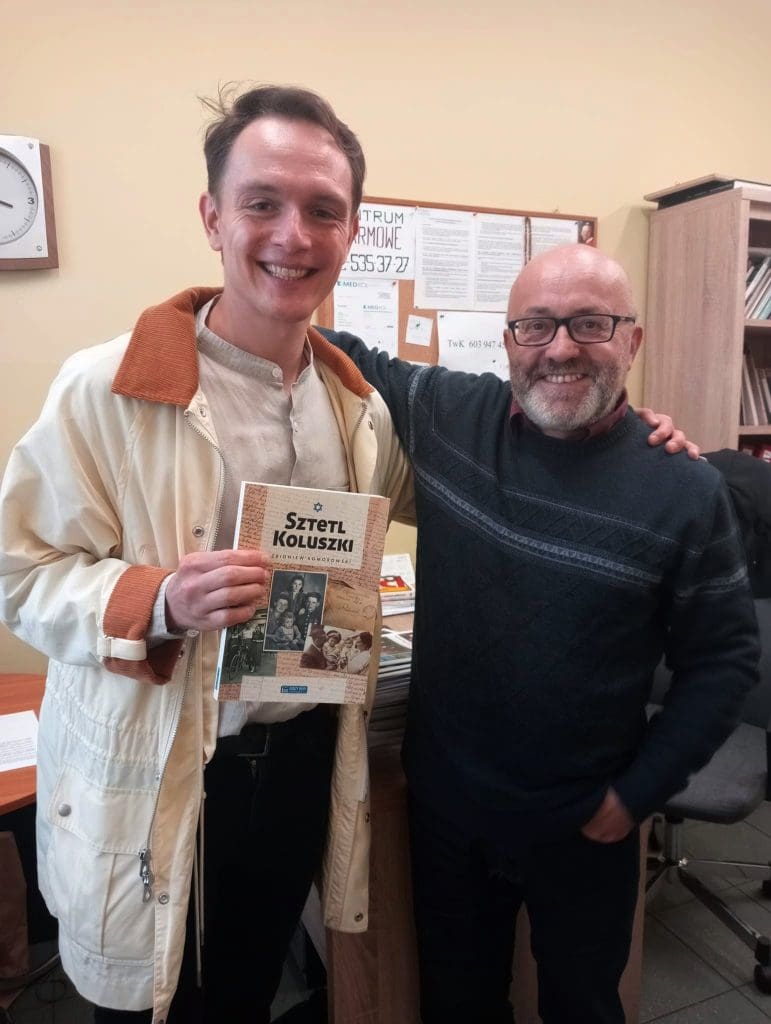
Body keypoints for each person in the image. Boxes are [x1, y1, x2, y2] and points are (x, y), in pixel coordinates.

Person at [0, 85, 415, 1024]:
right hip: (169, 763)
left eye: (322, 210)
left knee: (244, 989)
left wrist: (629, 434)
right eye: (261, 202)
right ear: (211, 217)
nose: (292, 235)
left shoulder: (359, 409)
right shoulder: (105, 387)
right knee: (148, 1002)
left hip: (300, 751)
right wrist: (158, 599)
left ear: (351, 230)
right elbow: (19, 573)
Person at [324, 244, 760, 1024]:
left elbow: (723, 662)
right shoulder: (450, 416)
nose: (558, 347)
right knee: (458, 1001)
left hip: (584, 822)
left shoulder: (684, 490)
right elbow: (339, 352)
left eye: (588, 323)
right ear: (507, 341)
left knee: (583, 1005)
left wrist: (635, 796)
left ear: (632, 340)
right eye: (534, 326)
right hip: (448, 811)